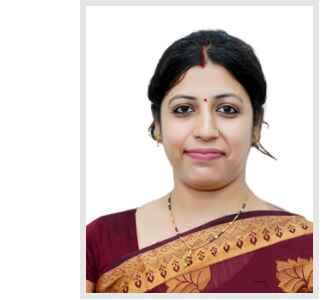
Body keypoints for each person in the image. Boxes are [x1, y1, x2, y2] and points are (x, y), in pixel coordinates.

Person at [86, 29, 313, 293]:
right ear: (157, 124)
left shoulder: (307, 248)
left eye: (227, 110)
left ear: (256, 126)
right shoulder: (99, 242)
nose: (206, 130)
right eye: (183, 109)